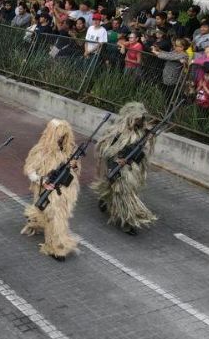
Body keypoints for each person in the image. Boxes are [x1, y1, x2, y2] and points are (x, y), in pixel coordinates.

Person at [92, 103, 157, 236]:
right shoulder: (117, 132)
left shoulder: (141, 132)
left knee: (117, 189)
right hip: (119, 167)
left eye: (141, 119)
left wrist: (149, 137)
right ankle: (127, 221)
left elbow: (143, 147)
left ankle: (105, 199)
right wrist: (116, 161)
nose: (139, 121)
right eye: (137, 119)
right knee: (124, 193)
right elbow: (106, 149)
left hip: (132, 166)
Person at [21, 119, 80, 261]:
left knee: (58, 215)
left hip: (65, 191)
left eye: (64, 137)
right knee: (55, 217)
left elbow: (75, 170)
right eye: (59, 137)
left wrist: (74, 165)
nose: (61, 140)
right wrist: (42, 181)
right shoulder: (41, 150)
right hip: (48, 190)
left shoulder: (68, 150)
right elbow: (30, 170)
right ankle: (55, 247)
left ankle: (36, 219)